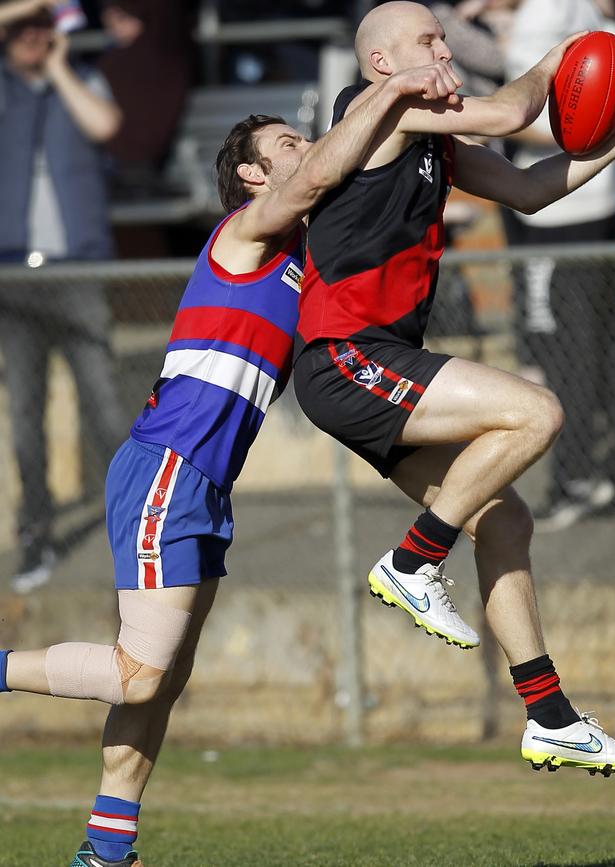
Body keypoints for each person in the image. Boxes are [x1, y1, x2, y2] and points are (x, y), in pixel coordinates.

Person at [0, 63, 461, 867]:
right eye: (287, 142)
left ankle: (108, 847)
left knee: (164, 678)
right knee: (137, 674)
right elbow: (324, 171)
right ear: (252, 174)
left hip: (206, 485)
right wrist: (386, 90)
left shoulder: (309, 252)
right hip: (167, 467)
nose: (306, 147)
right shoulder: (246, 230)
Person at [293, 0, 615, 775]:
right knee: (538, 411)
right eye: (428, 40)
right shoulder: (376, 107)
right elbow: (516, 108)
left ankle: (549, 714)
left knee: (505, 518)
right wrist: (560, 62)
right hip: (346, 353)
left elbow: (530, 191)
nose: (444, 49)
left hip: (373, 360)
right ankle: (414, 562)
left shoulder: (435, 140)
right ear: (383, 63)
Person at [503, 0, 615, 532]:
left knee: (577, 344)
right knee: (584, 341)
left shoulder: (601, 28)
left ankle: (580, 477)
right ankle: (598, 467)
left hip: (577, 206)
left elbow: (522, 115)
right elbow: (521, 115)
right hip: (576, 205)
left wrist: (600, 138)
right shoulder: (580, 21)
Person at [0, 0, 128, 592]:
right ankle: (36, 535)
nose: (33, 35)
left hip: (79, 271)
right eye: (21, 28)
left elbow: (106, 126)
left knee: (103, 402)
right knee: (25, 415)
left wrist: (57, 69)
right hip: (15, 278)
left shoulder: (82, 78)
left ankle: (127, 526)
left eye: (43, 27)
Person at [97, 0, 194, 198]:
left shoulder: (139, 62)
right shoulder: (168, 54)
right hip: (128, 174)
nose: (110, 22)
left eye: (122, 16)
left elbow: (139, 142)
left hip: (131, 174)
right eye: (108, 13)